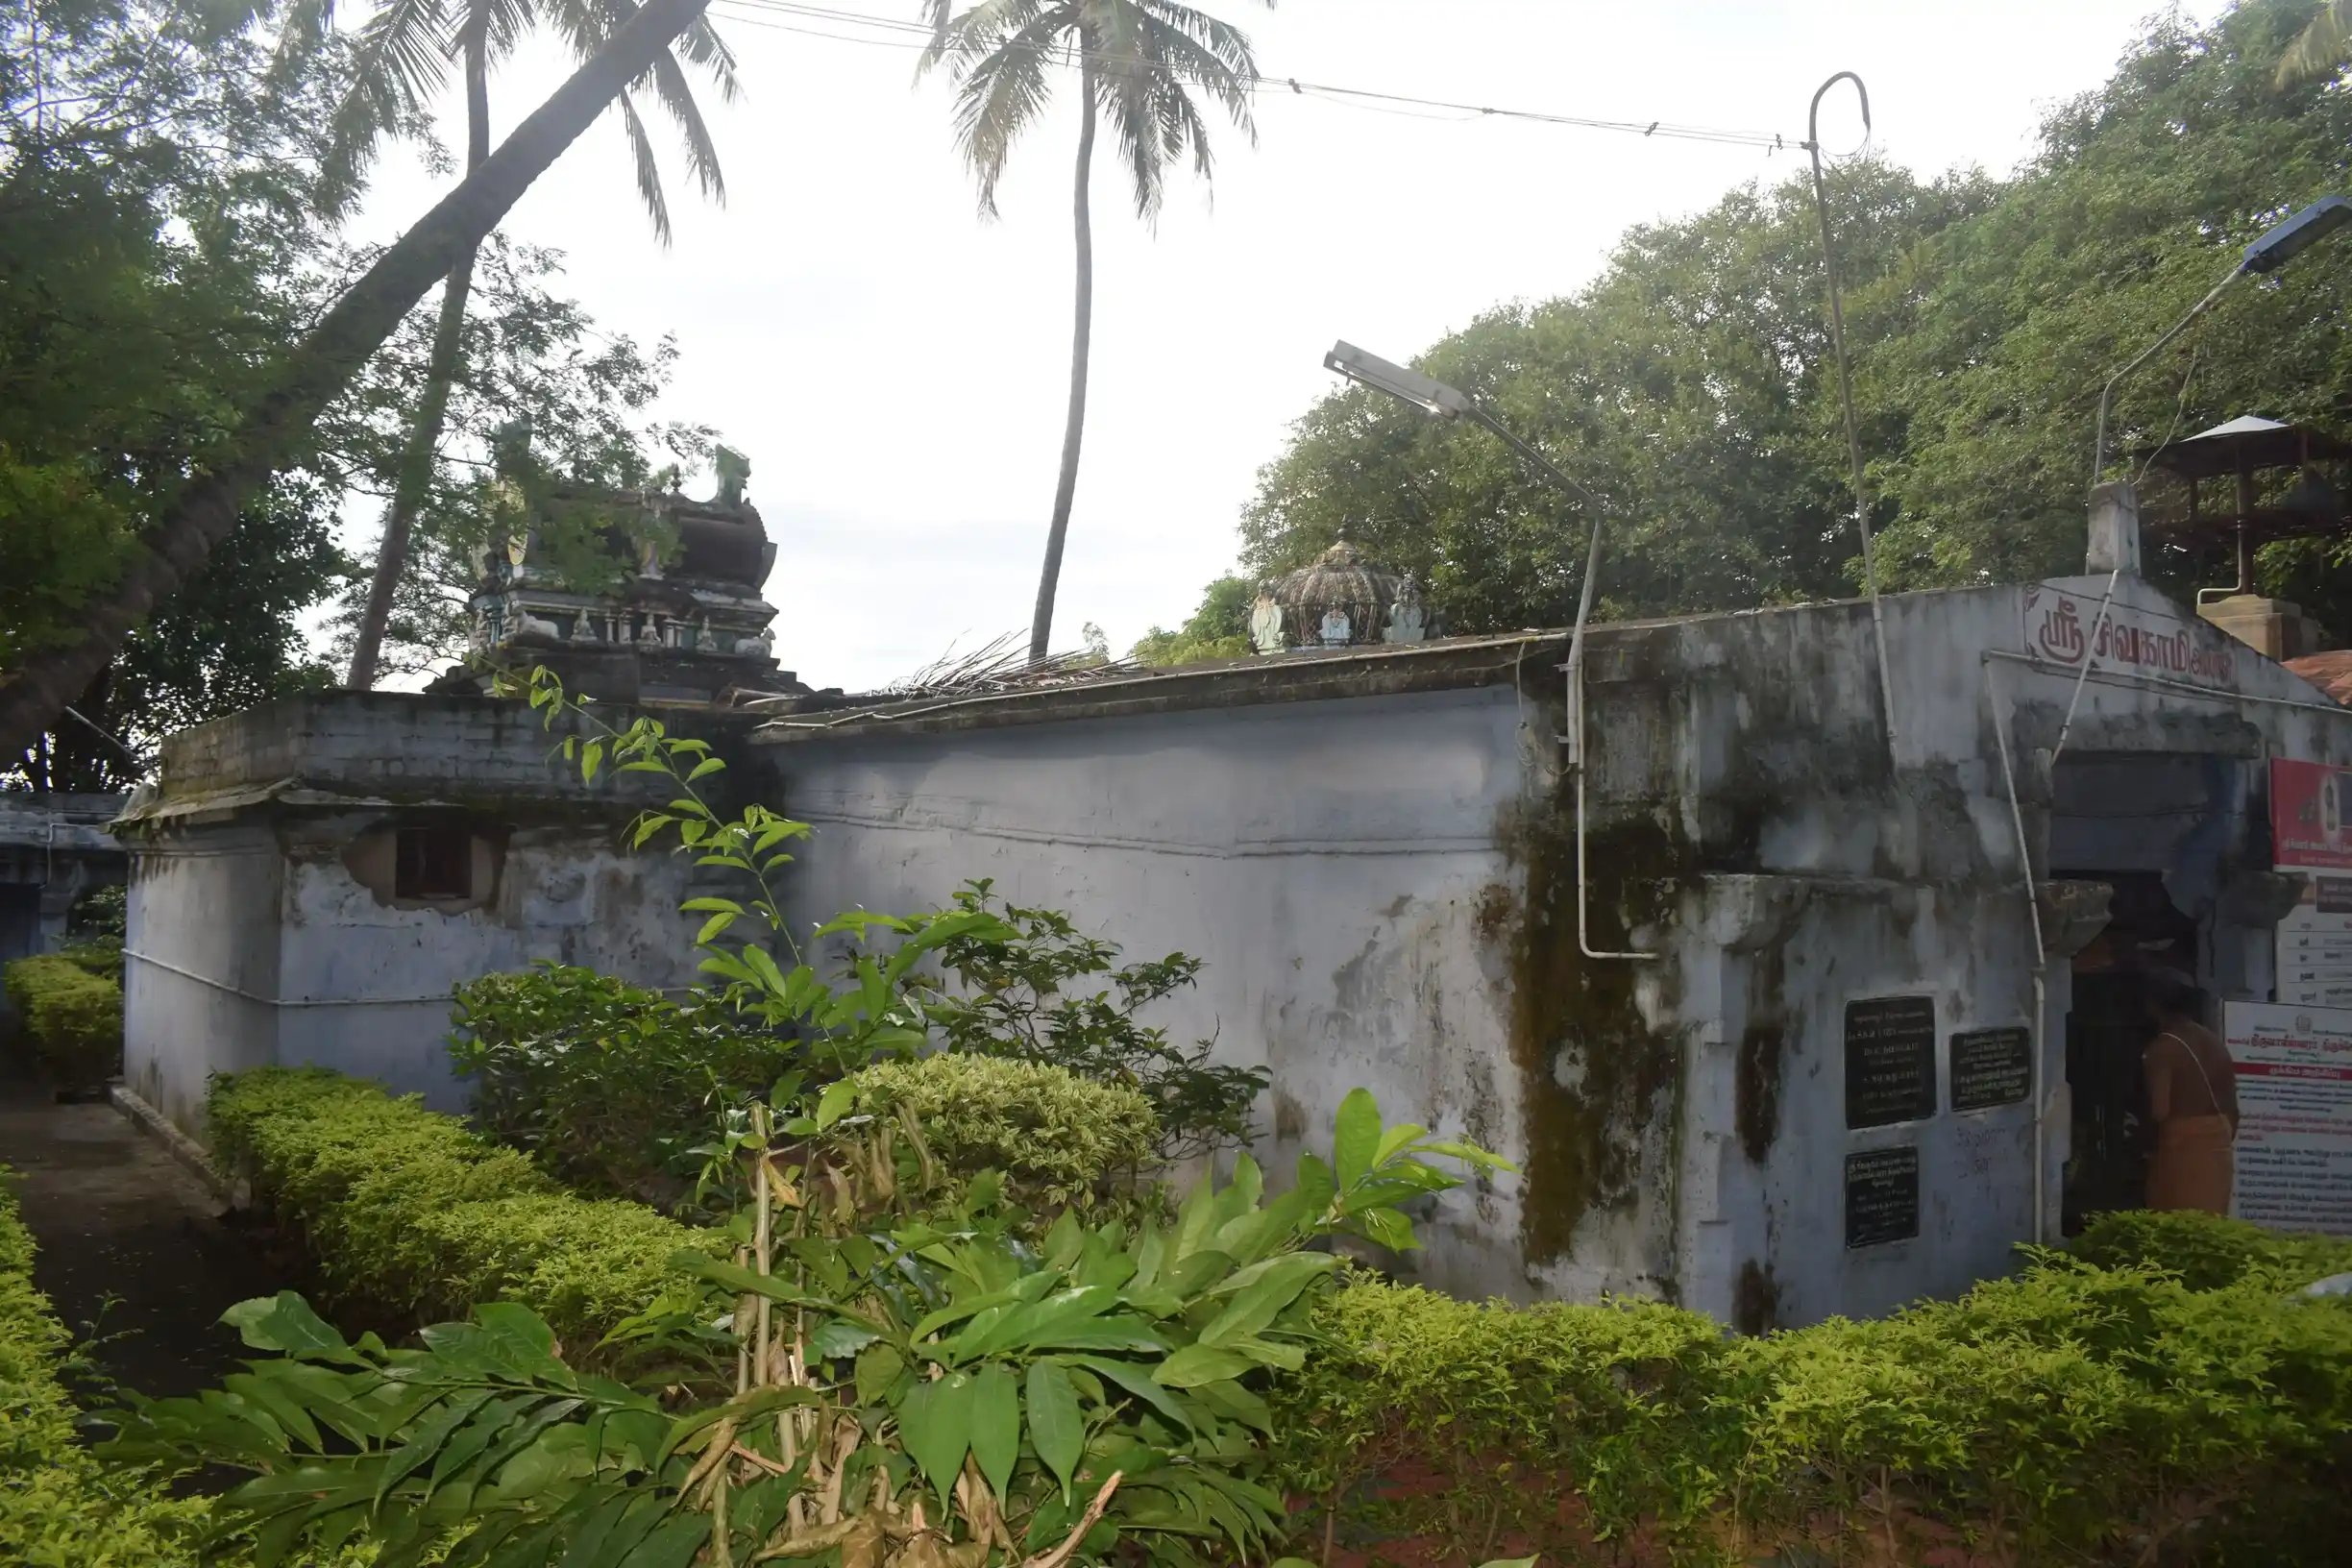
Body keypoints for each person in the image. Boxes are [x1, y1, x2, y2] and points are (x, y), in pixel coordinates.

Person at [2140, 968, 2239, 1213]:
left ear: (2153, 1005)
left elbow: (2160, 1111)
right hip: (2219, 1146)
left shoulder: (2163, 1048)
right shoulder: (2214, 1042)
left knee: (2173, 1224)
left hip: (2181, 1150)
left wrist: (2143, 1148)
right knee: (2208, 1224)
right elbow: (2234, 1110)